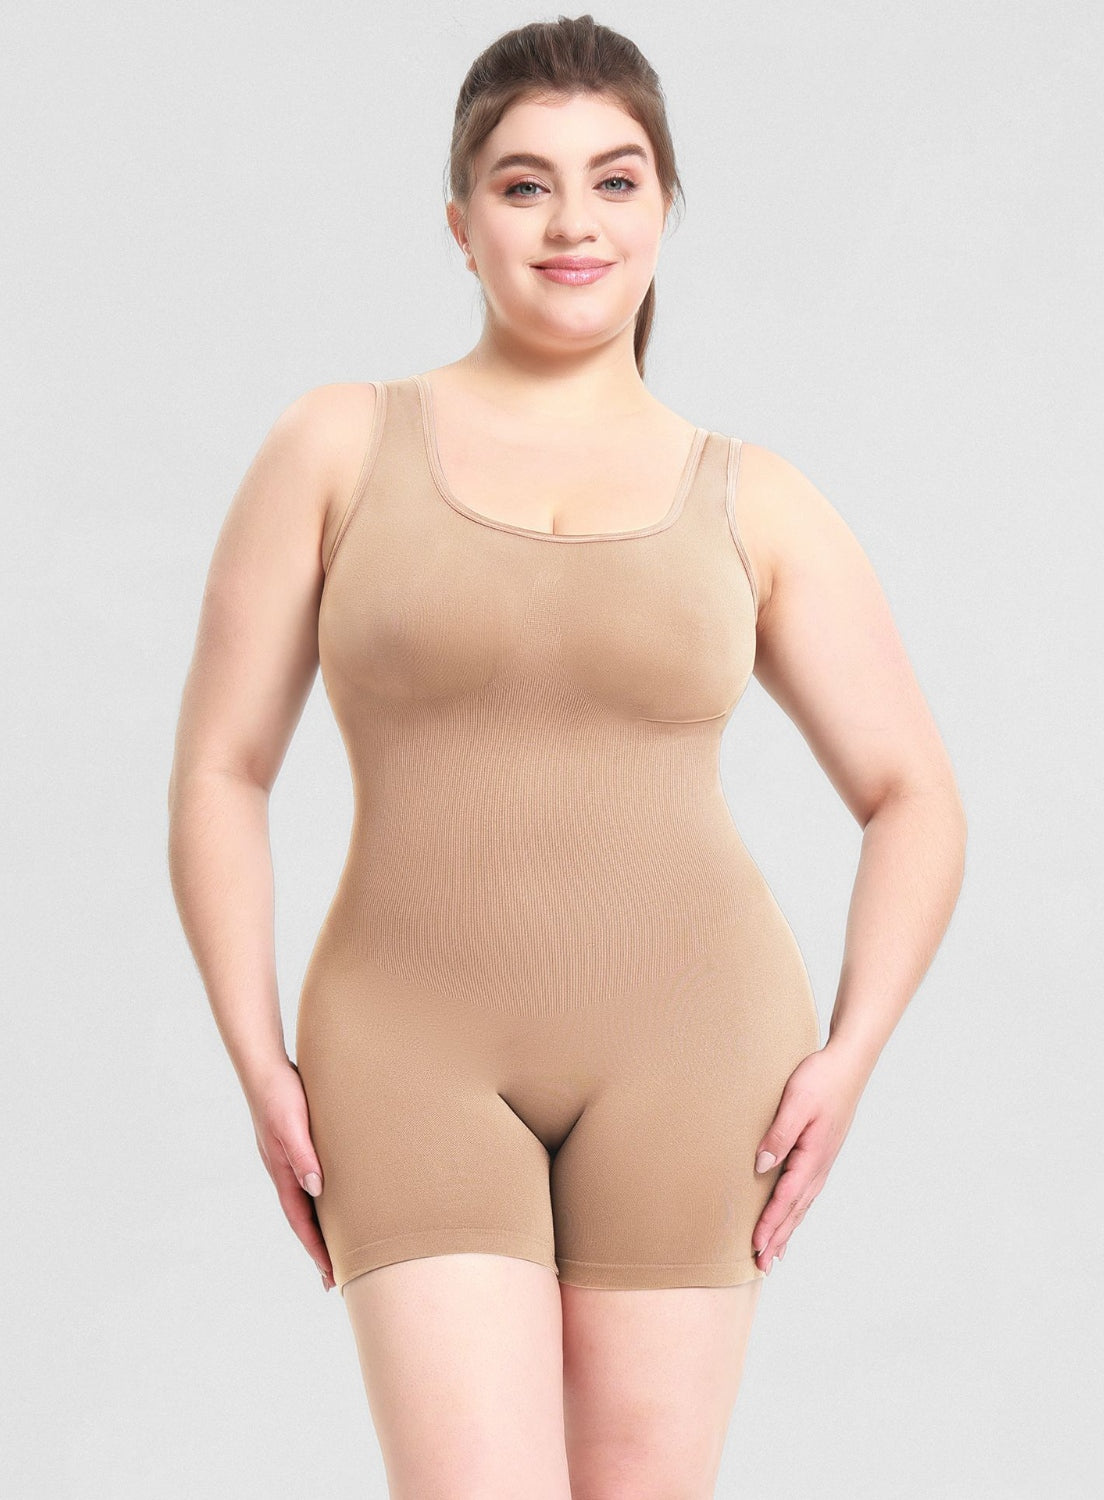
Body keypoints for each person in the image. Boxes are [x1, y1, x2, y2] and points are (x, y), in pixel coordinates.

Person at [167, 14, 967, 1498]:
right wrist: (252, 1052)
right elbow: (221, 767)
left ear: (663, 209)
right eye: (524, 184)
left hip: (696, 1049)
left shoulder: (752, 497)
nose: (572, 222)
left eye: (615, 179)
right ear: (459, 222)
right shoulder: (337, 446)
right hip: (404, 1047)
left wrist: (850, 1056)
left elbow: (912, 794)